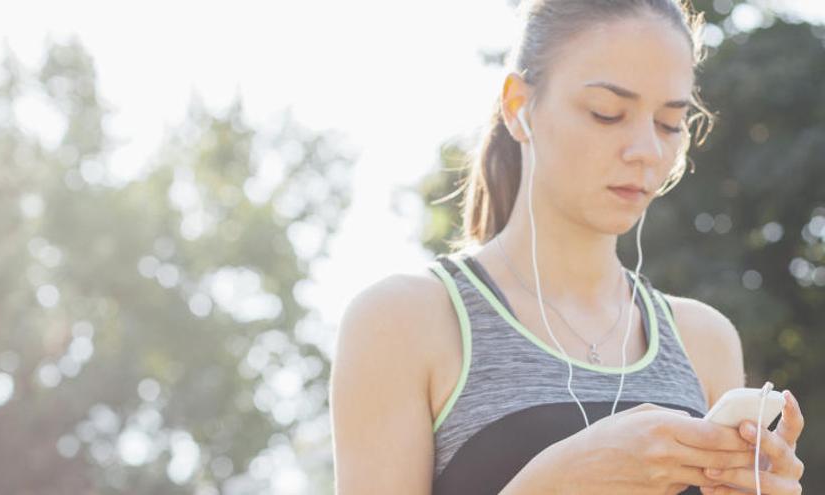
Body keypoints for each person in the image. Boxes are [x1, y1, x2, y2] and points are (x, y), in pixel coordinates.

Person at [329, 0, 806, 493]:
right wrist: (556, 481)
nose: (646, 150)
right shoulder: (404, 321)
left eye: (669, 123)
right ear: (518, 107)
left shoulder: (704, 340)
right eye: (608, 113)